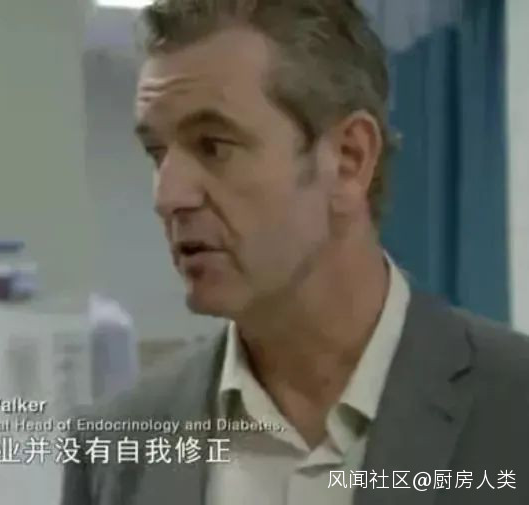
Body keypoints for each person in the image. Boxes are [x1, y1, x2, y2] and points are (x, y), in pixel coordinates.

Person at [60, 0, 529, 504]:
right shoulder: (111, 451)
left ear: (348, 160)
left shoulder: (513, 408)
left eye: (214, 146)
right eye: (158, 154)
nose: (168, 196)